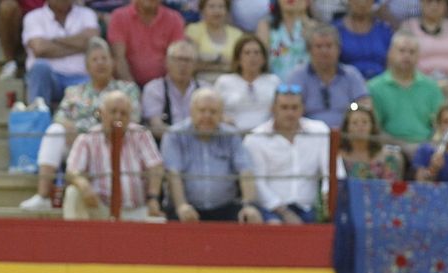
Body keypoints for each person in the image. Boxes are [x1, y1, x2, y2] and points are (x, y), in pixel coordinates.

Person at [21, 37, 142, 210]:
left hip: (115, 143)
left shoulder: (127, 89)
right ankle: (43, 196)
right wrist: (75, 132)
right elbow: (60, 117)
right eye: (95, 59)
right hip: (77, 145)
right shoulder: (74, 91)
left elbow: (133, 119)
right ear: (86, 67)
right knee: (55, 131)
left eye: (104, 58)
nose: (100, 63)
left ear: (113, 63)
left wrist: (86, 131)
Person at [163, 87, 265, 219]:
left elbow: (245, 170)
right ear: (191, 112)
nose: (207, 116)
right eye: (202, 111)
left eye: (213, 112)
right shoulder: (175, 135)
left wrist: (248, 205)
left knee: (251, 216)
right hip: (187, 207)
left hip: (225, 207)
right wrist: (182, 205)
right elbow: (173, 174)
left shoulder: (231, 135)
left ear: (221, 114)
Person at [63, 89, 165, 218]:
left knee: (159, 223)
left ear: (130, 117)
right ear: (101, 113)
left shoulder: (141, 135)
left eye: (123, 113)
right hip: (102, 209)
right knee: (73, 192)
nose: (118, 117)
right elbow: (72, 171)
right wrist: (83, 185)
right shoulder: (87, 138)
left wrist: (153, 198)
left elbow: (155, 167)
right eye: (113, 112)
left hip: (137, 209)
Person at [243, 85, 330, 221]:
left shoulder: (320, 131)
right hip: (270, 209)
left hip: (308, 207)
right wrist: (284, 213)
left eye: (294, 108)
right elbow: (259, 183)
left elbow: (331, 172)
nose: (290, 113)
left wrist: (328, 196)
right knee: (274, 224)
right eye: (284, 108)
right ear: (273, 109)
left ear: (303, 109)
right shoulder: (255, 138)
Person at [283, 24, 369, 127]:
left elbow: (364, 105)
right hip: (308, 134)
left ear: (339, 49)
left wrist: (353, 110)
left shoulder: (351, 75)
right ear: (309, 50)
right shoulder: (297, 76)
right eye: (319, 46)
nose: (324, 51)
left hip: (347, 135)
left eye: (329, 46)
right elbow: (288, 108)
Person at [25, 0, 100, 110]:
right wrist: (79, 46)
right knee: (39, 67)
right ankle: (38, 116)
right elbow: (40, 49)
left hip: (81, 78)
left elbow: (92, 41)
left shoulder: (87, 14)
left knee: (97, 76)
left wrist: (53, 40)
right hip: (51, 79)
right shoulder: (33, 17)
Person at [368, 33, 444, 143]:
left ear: (418, 56)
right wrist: (403, 146)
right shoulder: (374, 87)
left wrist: (430, 147)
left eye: (412, 52)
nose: (407, 56)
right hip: (388, 148)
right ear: (390, 54)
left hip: (426, 148)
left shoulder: (431, 87)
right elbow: (374, 129)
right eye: (402, 51)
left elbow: (441, 125)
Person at [109, 0, 187, 85]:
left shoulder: (174, 19)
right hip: (127, 85)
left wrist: (164, 90)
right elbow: (119, 58)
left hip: (164, 86)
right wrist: (132, 89)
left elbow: (176, 58)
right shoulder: (119, 17)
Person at [214, 33, 280, 132]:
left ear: (263, 59)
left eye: (257, 53)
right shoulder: (224, 82)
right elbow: (214, 110)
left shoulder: (274, 81)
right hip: (231, 134)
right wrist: (223, 119)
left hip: (266, 135)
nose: (252, 57)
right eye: (247, 53)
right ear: (238, 59)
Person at [335, 98, 406, 176]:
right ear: (347, 128)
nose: (360, 126)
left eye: (364, 122)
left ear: (372, 126)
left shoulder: (389, 157)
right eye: (354, 123)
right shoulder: (338, 156)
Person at [401, 0, 448, 79]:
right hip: (417, 82)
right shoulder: (408, 27)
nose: (434, 5)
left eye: (438, 2)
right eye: (429, 1)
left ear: (445, 5)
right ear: (421, 3)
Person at [335, 0, 393, 79]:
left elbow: (392, 62)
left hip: (379, 84)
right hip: (347, 83)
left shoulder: (384, 29)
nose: (362, 3)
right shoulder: (337, 30)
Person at [185, 0, 240, 76]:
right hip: (201, 80)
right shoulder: (193, 30)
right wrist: (220, 60)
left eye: (221, 7)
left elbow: (240, 65)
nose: (217, 11)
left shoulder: (237, 34)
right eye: (211, 6)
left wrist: (207, 60)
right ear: (202, 10)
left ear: (227, 11)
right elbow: (192, 63)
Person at [265, 0, 317, 77]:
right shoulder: (266, 25)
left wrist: (303, 15)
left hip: (306, 84)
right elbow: (262, 59)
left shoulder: (314, 26)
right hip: (276, 84)